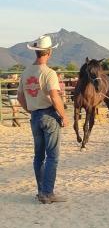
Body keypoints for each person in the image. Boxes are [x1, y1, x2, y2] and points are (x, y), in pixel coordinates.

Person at [17, 35, 69, 204]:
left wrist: (30, 110)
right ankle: (48, 193)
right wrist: (63, 115)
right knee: (52, 156)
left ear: (36, 52)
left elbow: (20, 97)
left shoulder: (25, 73)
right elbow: (55, 96)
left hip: (35, 116)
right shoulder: (49, 73)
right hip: (49, 116)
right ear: (49, 52)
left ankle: (41, 191)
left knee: (38, 156)